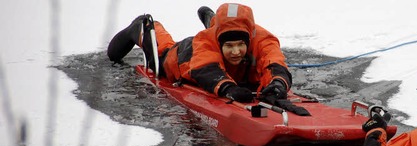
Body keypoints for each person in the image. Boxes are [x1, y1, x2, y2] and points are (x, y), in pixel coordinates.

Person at [107, 3, 291, 103]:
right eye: (229, 46)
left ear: (250, 38)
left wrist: (278, 83)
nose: (236, 52)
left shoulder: (263, 38)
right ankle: (143, 27)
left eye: (241, 45)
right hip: (184, 55)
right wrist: (229, 88)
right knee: (162, 54)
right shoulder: (204, 43)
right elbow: (206, 68)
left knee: (229, 34)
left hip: (217, 38)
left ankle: (213, 20)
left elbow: (274, 62)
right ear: (220, 41)